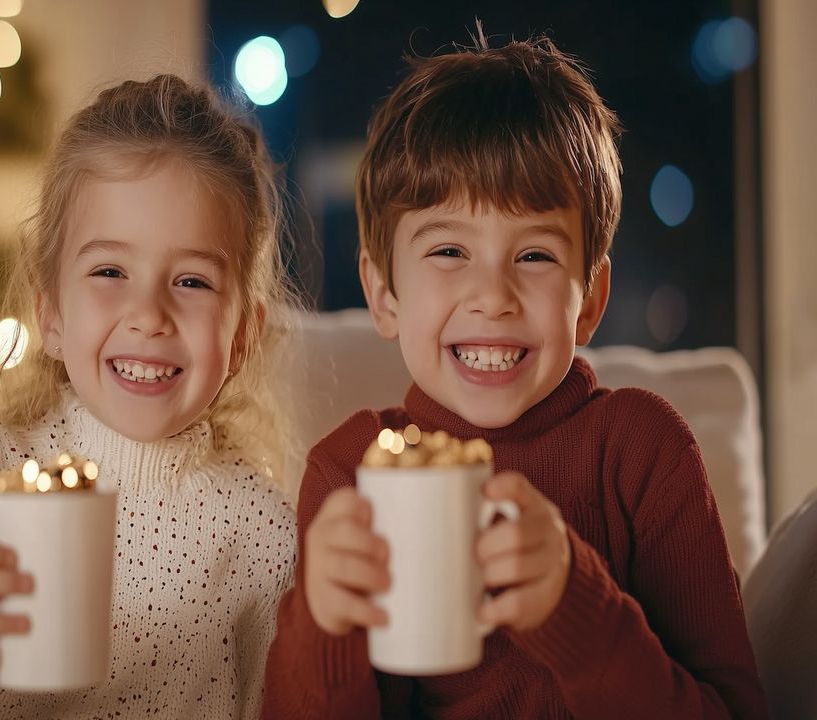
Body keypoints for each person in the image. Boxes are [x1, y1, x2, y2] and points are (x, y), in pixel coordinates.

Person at [263, 31, 768, 719]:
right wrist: (323, 626)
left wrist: (577, 607)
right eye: (449, 250)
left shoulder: (644, 452)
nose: (493, 296)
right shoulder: (349, 474)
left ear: (589, 300)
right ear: (383, 294)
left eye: (534, 256)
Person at [0, 74, 300, 719]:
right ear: (51, 313)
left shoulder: (261, 529)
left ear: (244, 336)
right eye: (110, 271)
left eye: (193, 281)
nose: (149, 315)